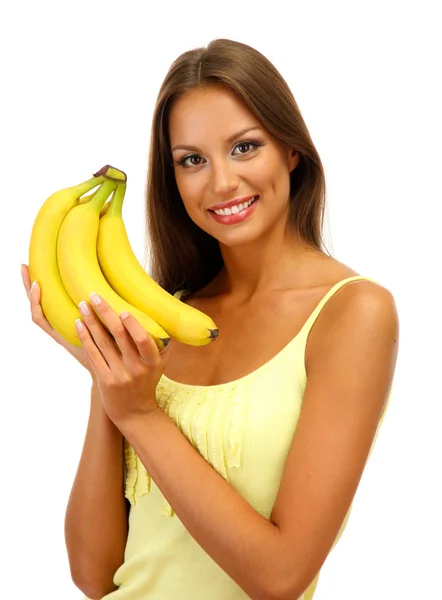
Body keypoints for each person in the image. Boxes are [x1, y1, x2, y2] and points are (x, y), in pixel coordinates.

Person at [22, 38, 399, 600]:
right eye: (192, 160)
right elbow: (94, 576)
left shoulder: (353, 312)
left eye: (245, 147)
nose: (221, 183)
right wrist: (108, 381)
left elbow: (280, 577)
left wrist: (144, 415)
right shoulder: (163, 318)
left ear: (291, 150)